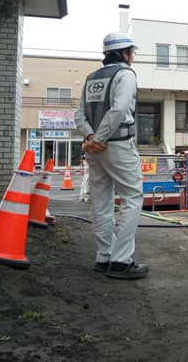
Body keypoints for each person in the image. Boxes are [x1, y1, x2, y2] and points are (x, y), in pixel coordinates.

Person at [74, 32, 149, 280]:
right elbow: (119, 110)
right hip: (118, 145)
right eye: (132, 52)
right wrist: (100, 138)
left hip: (94, 150)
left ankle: (104, 256)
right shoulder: (125, 74)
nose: (133, 56)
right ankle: (121, 260)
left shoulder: (92, 78)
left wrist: (91, 137)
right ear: (125, 53)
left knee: (101, 201)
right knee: (132, 198)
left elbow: (79, 115)